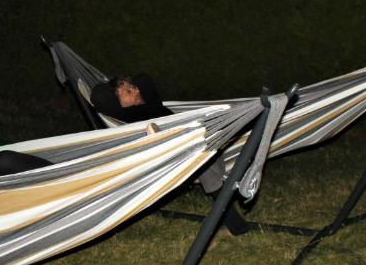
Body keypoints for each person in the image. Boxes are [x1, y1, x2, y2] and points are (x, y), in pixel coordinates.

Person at [91, 74, 251, 236]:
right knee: (204, 165)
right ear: (117, 101)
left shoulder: (151, 102)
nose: (136, 91)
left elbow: (144, 79)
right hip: (173, 149)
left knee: (211, 152)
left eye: (134, 87)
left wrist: (127, 86)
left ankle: (227, 189)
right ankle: (233, 220)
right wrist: (113, 86)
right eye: (127, 91)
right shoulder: (127, 114)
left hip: (191, 135)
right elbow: (99, 96)